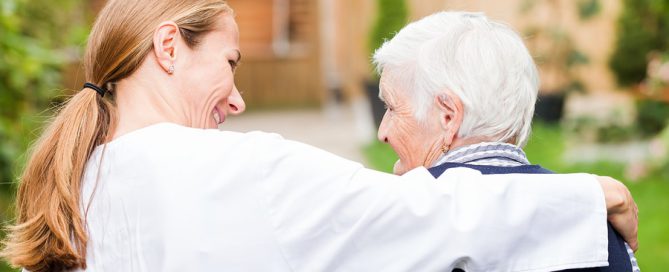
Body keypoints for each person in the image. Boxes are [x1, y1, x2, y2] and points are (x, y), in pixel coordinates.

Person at [0, 1, 637, 271]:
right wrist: (594, 195)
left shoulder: (75, 187)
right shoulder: (228, 173)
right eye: (230, 63)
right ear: (169, 46)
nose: (239, 97)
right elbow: (427, 214)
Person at [373, 12, 639, 271]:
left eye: (392, 108)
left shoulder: (398, 227)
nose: (382, 132)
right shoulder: (598, 224)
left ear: (448, 115)